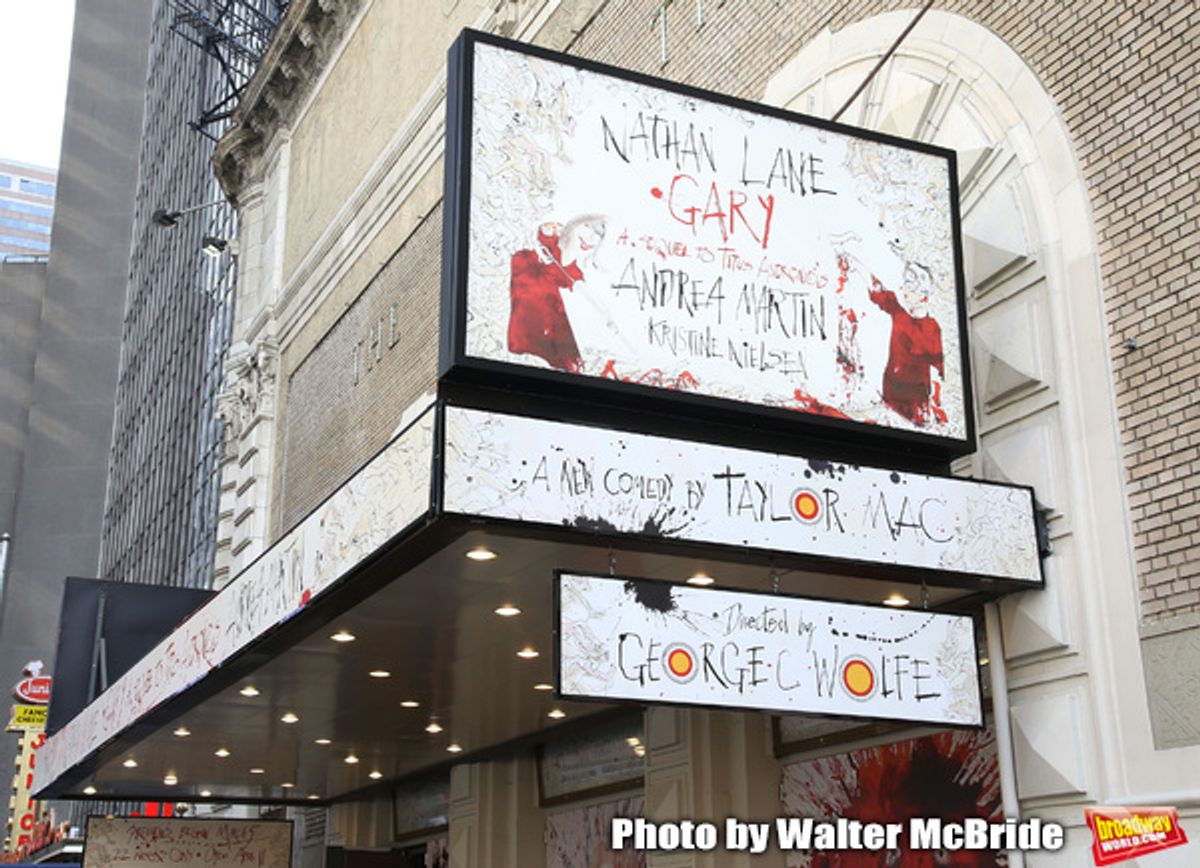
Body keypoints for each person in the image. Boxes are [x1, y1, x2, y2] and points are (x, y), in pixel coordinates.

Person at [506, 215, 606, 372]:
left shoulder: (576, 278)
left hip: (555, 362)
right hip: (522, 350)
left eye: (599, 235)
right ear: (575, 224)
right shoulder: (535, 251)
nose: (591, 238)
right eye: (588, 227)